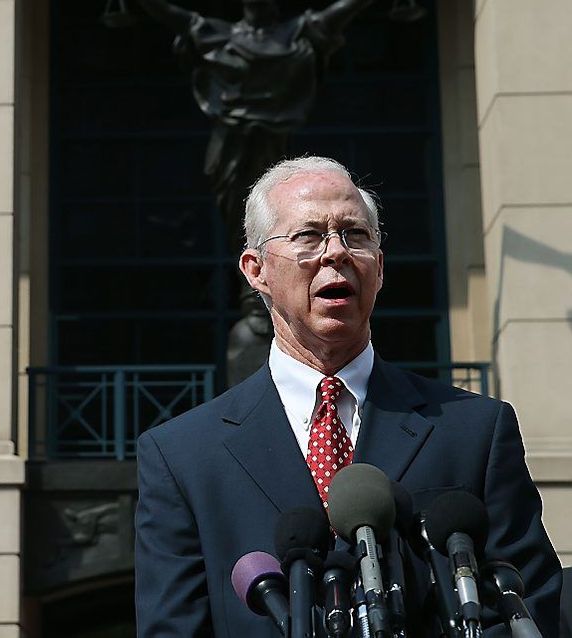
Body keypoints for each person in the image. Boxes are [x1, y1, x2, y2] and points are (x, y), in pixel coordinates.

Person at [134, 156, 562, 636]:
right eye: (309, 236)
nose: (335, 252)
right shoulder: (183, 455)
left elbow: (529, 603)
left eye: (355, 236)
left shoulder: (475, 430)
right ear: (256, 271)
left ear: (378, 268)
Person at [136, 0, 372, 247]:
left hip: (276, 141)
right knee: (237, 216)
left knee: (281, 210)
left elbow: (341, 11)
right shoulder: (217, 35)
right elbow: (172, 14)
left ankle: (263, 268)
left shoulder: (295, 32)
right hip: (231, 145)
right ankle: (245, 273)